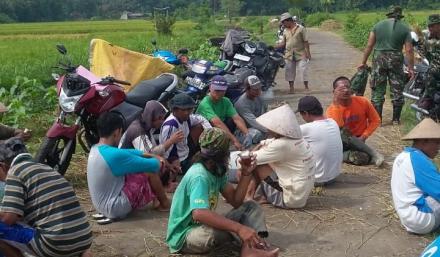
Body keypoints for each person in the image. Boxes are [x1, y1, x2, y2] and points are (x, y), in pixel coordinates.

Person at [166, 128, 278, 257]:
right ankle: (250, 248)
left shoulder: (216, 169)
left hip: (203, 226)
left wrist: (246, 174)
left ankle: (254, 246)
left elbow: (236, 201)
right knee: (221, 232)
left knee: (251, 207)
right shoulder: (199, 175)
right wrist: (239, 228)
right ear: (225, 154)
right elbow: (199, 214)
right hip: (185, 235)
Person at [0, 138, 92, 257]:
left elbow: (8, 219)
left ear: (2, 166)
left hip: (55, 244)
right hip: (84, 239)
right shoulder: (47, 169)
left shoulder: (15, 172)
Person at [87, 112, 170, 222]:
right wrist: (160, 159)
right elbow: (156, 165)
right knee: (148, 171)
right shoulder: (115, 155)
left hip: (101, 206)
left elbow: (129, 152)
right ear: (117, 132)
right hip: (113, 208)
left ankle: (157, 201)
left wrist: (151, 154)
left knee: (134, 171)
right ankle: (165, 204)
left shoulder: (95, 149)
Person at [247, 104, 316, 209]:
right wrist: (262, 145)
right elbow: (267, 142)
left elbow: (247, 159)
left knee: (254, 165)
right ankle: (262, 195)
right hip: (301, 194)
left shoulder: (281, 145)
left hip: (290, 200)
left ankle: (248, 198)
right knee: (268, 161)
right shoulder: (299, 139)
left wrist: (255, 150)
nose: (268, 129)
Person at [359, 5, 414, 124]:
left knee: (378, 88)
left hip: (379, 59)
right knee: (397, 88)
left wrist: (363, 62)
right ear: (400, 16)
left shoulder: (377, 26)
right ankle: (396, 120)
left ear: (388, 15)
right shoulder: (405, 28)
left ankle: (378, 120)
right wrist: (410, 68)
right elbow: (409, 50)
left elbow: (369, 45)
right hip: (396, 59)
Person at [120, 100, 184, 191]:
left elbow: (154, 151)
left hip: (136, 161)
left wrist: (169, 165)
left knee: (172, 164)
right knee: (157, 164)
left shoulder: (147, 127)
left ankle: (164, 182)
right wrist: (171, 141)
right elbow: (150, 154)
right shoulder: (138, 130)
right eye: (160, 118)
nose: (162, 122)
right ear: (152, 117)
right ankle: (162, 188)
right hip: (127, 169)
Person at [391, 118, 440, 234]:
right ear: (424, 142)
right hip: (422, 218)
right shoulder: (418, 160)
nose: (439, 148)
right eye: (437, 143)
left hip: (408, 217)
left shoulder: (403, 156)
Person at [326, 76, 384, 166]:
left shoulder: (363, 102)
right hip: (341, 142)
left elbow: (375, 120)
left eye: (348, 87)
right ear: (334, 92)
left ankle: (372, 154)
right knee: (343, 131)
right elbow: (339, 130)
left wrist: (364, 136)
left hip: (359, 141)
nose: (345, 90)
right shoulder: (332, 110)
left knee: (362, 157)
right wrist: (336, 105)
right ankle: (371, 154)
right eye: (341, 88)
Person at [297, 96, 343, 186]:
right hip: (333, 176)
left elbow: (282, 136)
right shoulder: (333, 122)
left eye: (301, 115)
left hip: (317, 179)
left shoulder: (307, 128)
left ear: (306, 113)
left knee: (287, 146)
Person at [160, 93, 211, 173]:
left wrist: (210, 132)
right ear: (175, 110)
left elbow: (201, 119)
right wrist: (174, 161)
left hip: (186, 150)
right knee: (206, 168)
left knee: (199, 126)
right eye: (183, 110)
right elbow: (165, 149)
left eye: (189, 109)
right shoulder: (171, 125)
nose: (187, 112)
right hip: (180, 159)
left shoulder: (187, 118)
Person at [196, 75, 250, 149]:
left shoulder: (226, 101)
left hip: (218, 129)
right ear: (210, 88)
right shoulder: (205, 104)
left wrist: (247, 134)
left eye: (222, 90)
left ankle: (226, 140)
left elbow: (237, 118)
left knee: (231, 121)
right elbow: (217, 123)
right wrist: (234, 140)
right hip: (205, 132)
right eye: (217, 90)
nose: (220, 93)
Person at [276, 12, 311, 94]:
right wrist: (274, 47)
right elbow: (283, 43)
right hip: (289, 54)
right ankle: (291, 88)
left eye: (283, 22)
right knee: (289, 71)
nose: (283, 24)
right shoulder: (285, 31)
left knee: (303, 70)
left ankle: (306, 87)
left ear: (289, 21)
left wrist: (308, 53)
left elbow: (306, 41)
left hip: (301, 53)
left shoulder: (301, 28)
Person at [234, 75, 267, 145]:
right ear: (247, 89)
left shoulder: (260, 97)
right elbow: (253, 122)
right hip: (245, 131)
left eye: (259, 88)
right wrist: (271, 131)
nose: (258, 91)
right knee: (257, 134)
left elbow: (265, 114)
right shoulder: (241, 103)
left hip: (259, 125)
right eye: (255, 89)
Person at [419, 14, 440, 115]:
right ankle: (428, 99)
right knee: (430, 71)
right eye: (429, 26)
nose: (429, 28)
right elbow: (426, 55)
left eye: (432, 26)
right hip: (435, 70)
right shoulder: (428, 39)